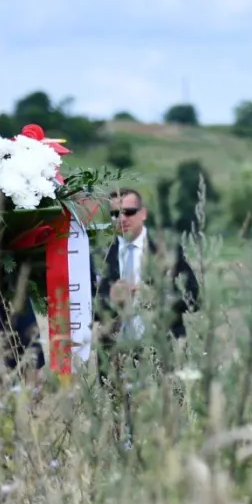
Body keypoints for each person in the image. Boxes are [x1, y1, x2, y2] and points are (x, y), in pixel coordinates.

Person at [95, 188, 200, 440]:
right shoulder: (102, 254)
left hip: (162, 348)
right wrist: (112, 300)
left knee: (166, 423)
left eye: (128, 211)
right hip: (119, 351)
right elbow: (94, 310)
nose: (121, 218)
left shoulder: (167, 250)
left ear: (143, 214)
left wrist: (155, 296)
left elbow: (195, 298)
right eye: (114, 214)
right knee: (123, 427)